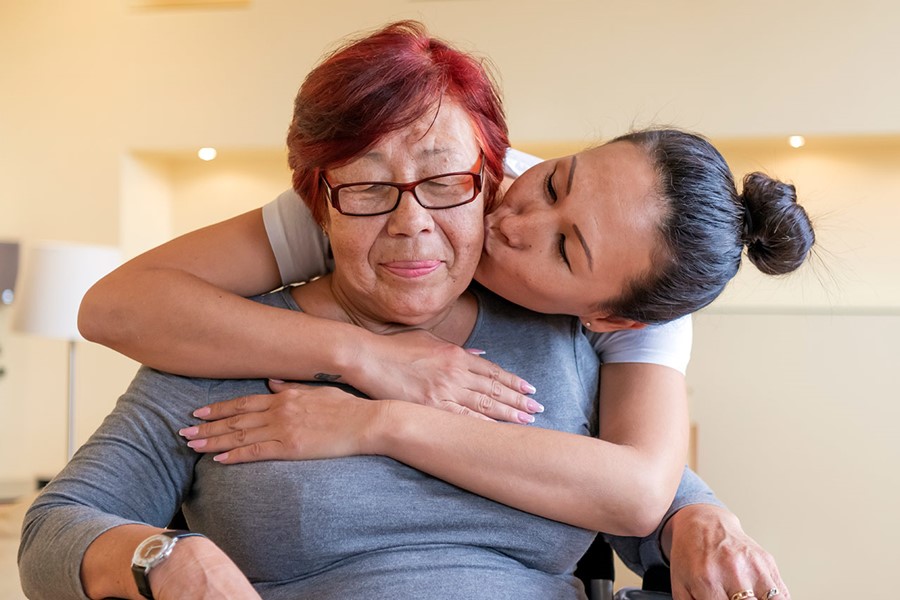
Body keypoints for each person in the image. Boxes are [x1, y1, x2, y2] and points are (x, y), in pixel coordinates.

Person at [66, 20, 805, 598]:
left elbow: (646, 487)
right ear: (319, 198)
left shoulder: (590, 329)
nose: (412, 219)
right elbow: (65, 513)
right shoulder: (223, 334)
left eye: (566, 252)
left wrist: (698, 519)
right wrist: (158, 556)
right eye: (366, 189)